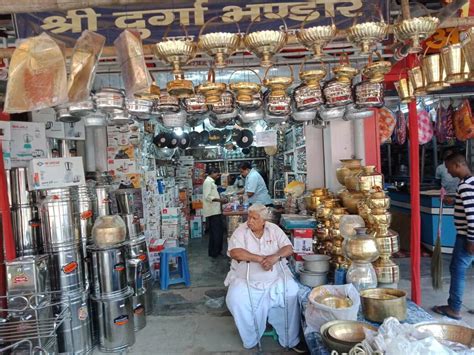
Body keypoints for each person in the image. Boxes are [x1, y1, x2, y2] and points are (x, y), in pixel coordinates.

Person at [225, 204, 303, 352]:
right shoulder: (241, 231)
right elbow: (235, 252)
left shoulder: (273, 229)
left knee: (292, 291)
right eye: (249, 217)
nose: (250, 221)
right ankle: (251, 337)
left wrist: (275, 257)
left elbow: (288, 248)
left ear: (264, 220)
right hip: (246, 279)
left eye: (254, 218)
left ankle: (290, 338)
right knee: (235, 298)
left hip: (275, 278)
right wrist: (260, 259)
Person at [433, 153, 474, 320]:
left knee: (457, 270)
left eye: (449, 167)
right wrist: (455, 201)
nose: (448, 172)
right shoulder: (469, 183)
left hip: (467, 237)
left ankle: (454, 307)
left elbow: (472, 216)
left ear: (458, 165)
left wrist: (471, 240)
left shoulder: (465, 186)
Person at [203, 167, 226, 258]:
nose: (218, 176)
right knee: (217, 232)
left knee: (215, 232)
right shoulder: (208, 182)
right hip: (212, 211)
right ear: (212, 173)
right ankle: (215, 252)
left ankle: (214, 252)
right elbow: (207, 196)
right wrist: (220, 200)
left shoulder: (211, 182)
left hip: (215, 210)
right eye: (217, 174)